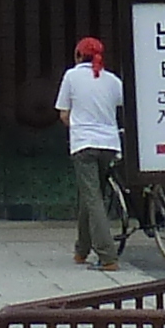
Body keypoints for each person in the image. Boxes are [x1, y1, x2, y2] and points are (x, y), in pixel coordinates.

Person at [59, 36, 130, 271]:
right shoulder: (112, 80)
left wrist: (78, 127)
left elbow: (64, 114)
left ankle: (107, 255)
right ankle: (82, 249)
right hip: (110, 144)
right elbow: (123, 104)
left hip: (84, 145)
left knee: (93, 198)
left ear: (79, 55)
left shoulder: (71, 76)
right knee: (90, 196)